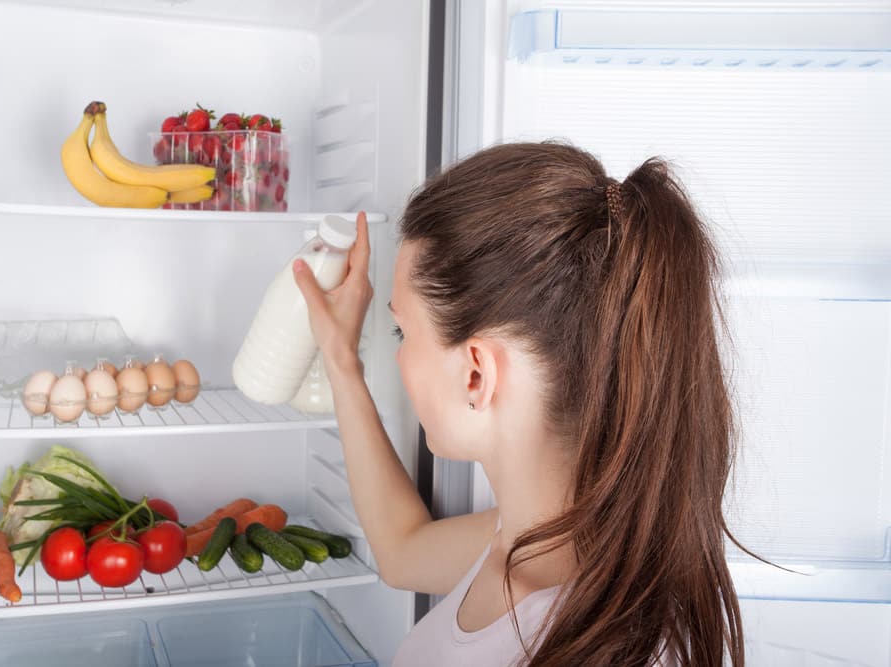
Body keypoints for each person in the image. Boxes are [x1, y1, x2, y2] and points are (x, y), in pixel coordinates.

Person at [292, 141, 744, 667]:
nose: (399, 354)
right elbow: (401, 549)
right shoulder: (554, 535)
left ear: (476, 373)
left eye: (402, 331)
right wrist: (341, 359)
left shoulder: (603, 644)